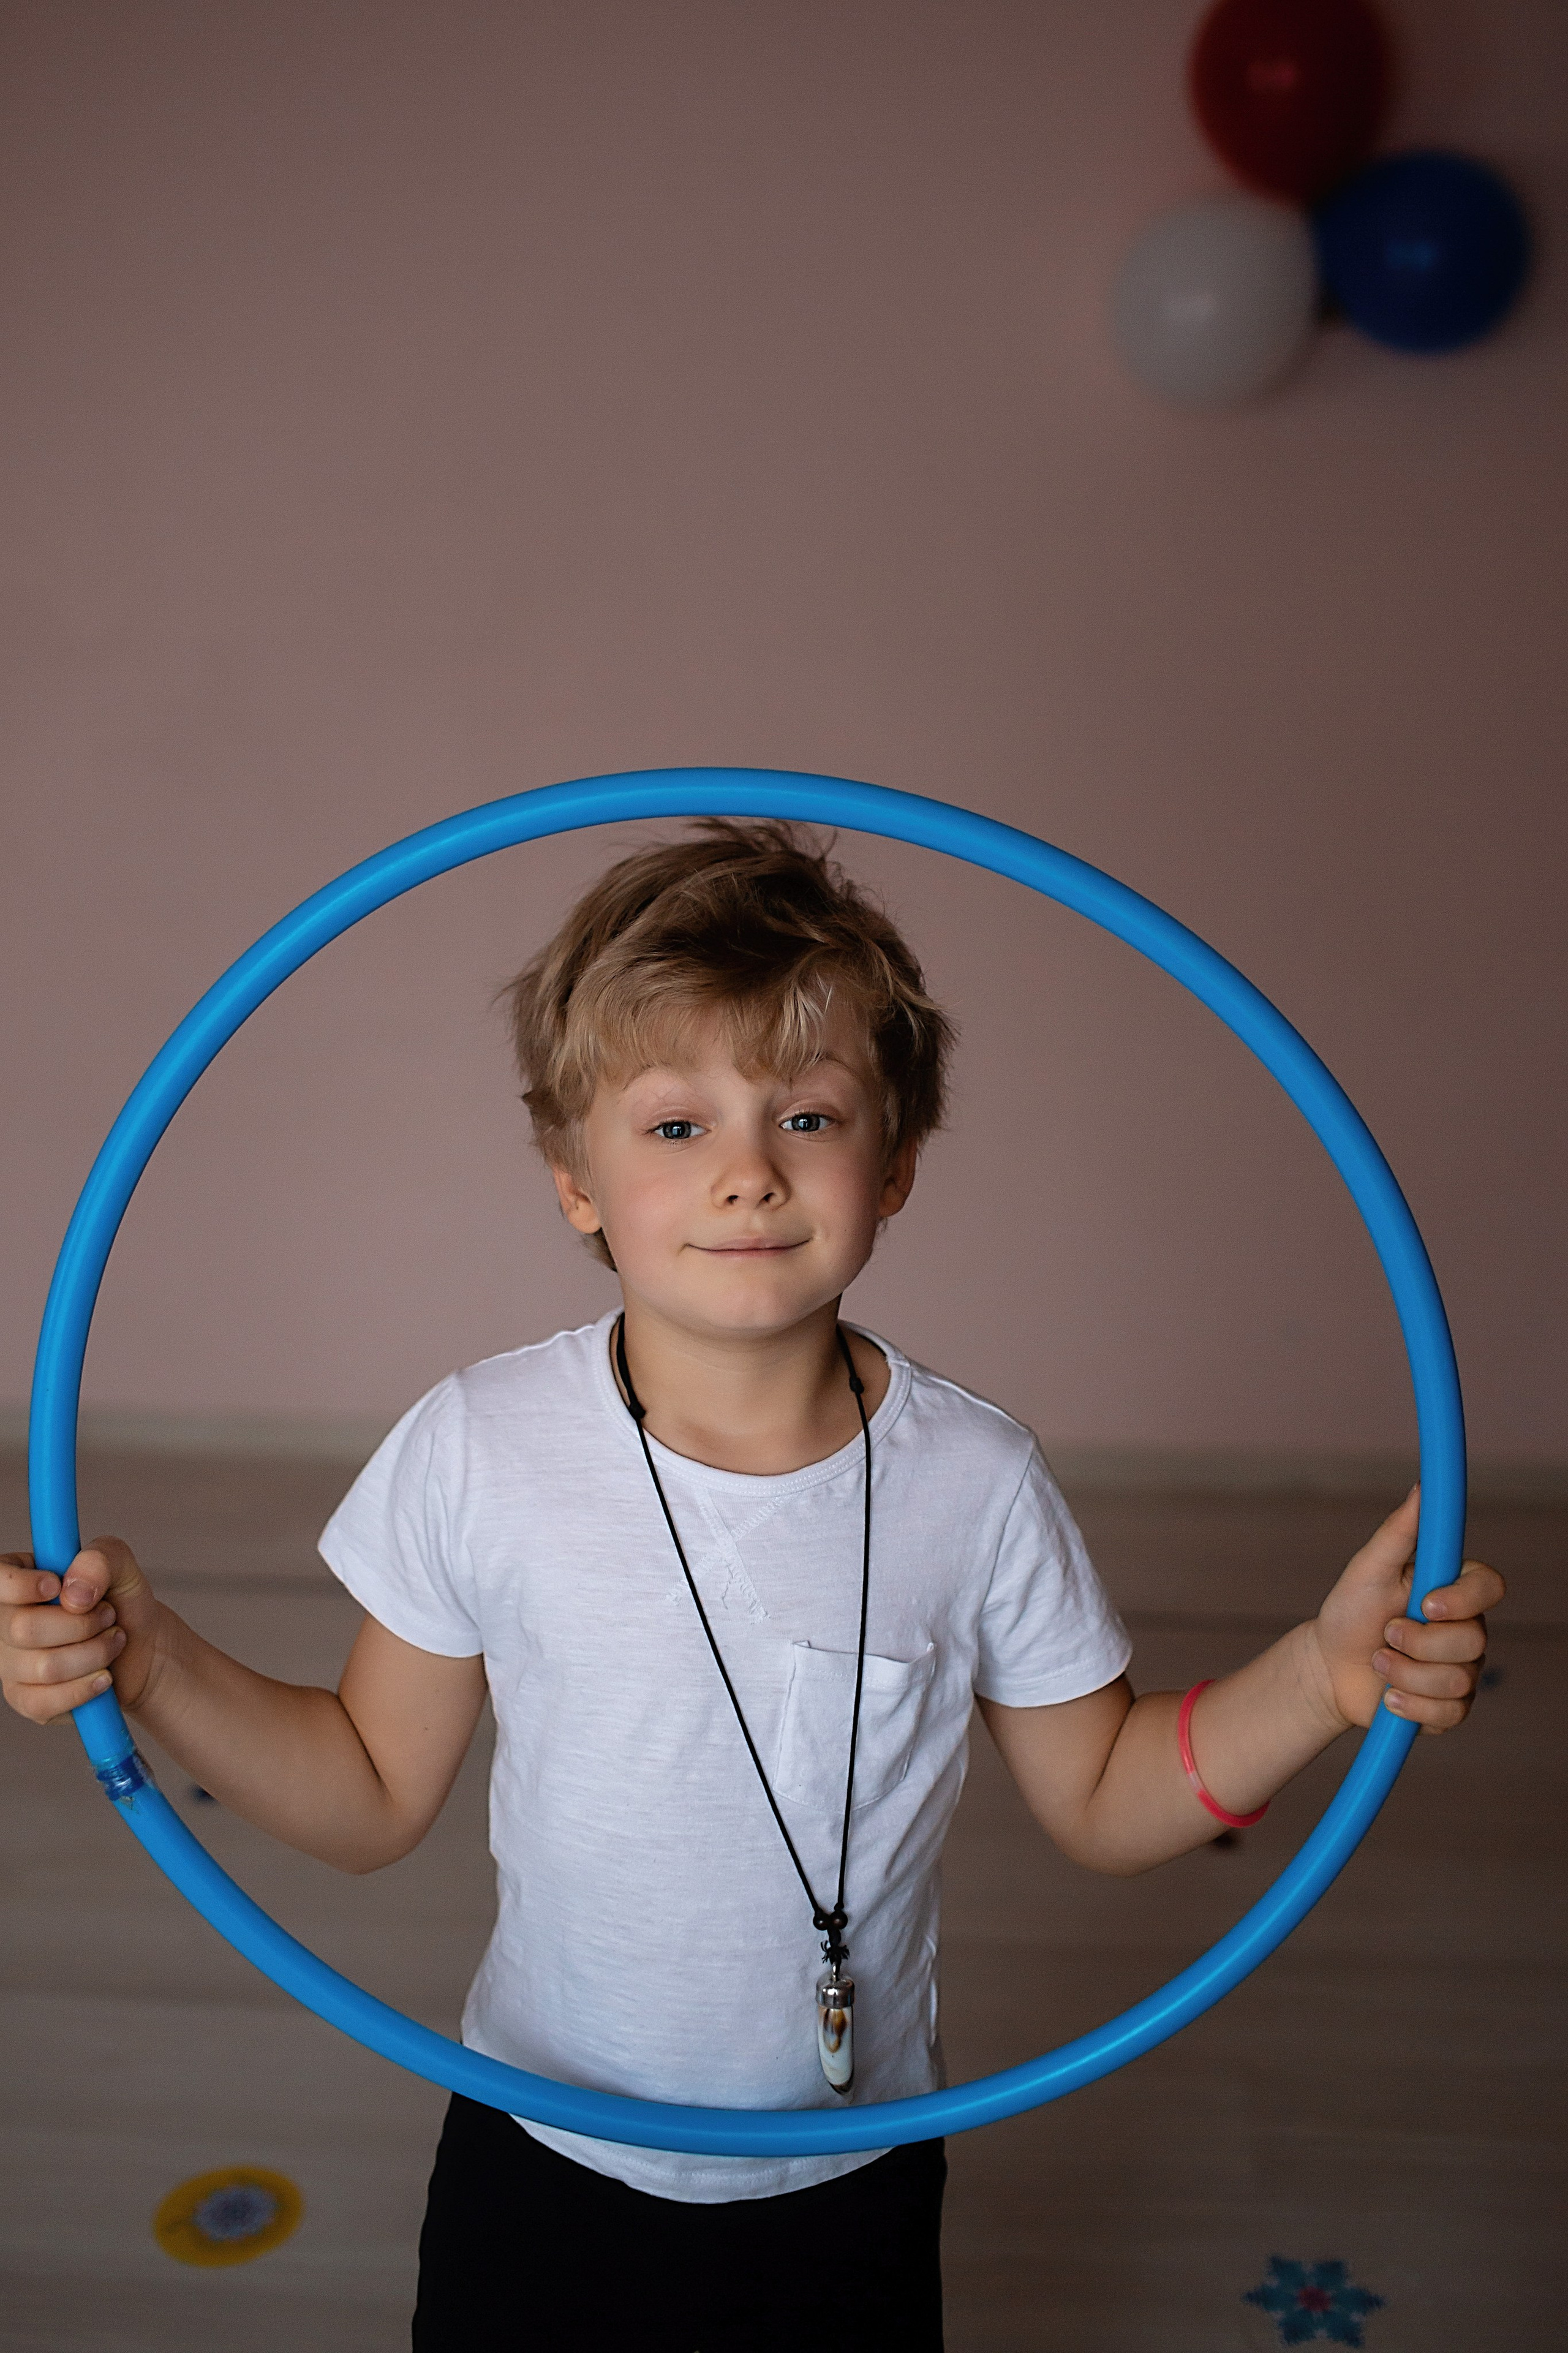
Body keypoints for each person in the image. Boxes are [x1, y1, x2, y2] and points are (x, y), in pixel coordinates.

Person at [1, 821, 1502, 2351]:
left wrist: (1322, 1677)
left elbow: (1107, 1795)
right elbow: (373, 1792)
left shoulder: (970, 1481)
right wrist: (156, 1661)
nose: (743, 1171)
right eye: (671, 1127)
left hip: (843, 2172)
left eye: (804, 1113)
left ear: (896, 1161)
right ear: (573, 1178)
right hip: (545, 2148)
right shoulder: (480, 1446)